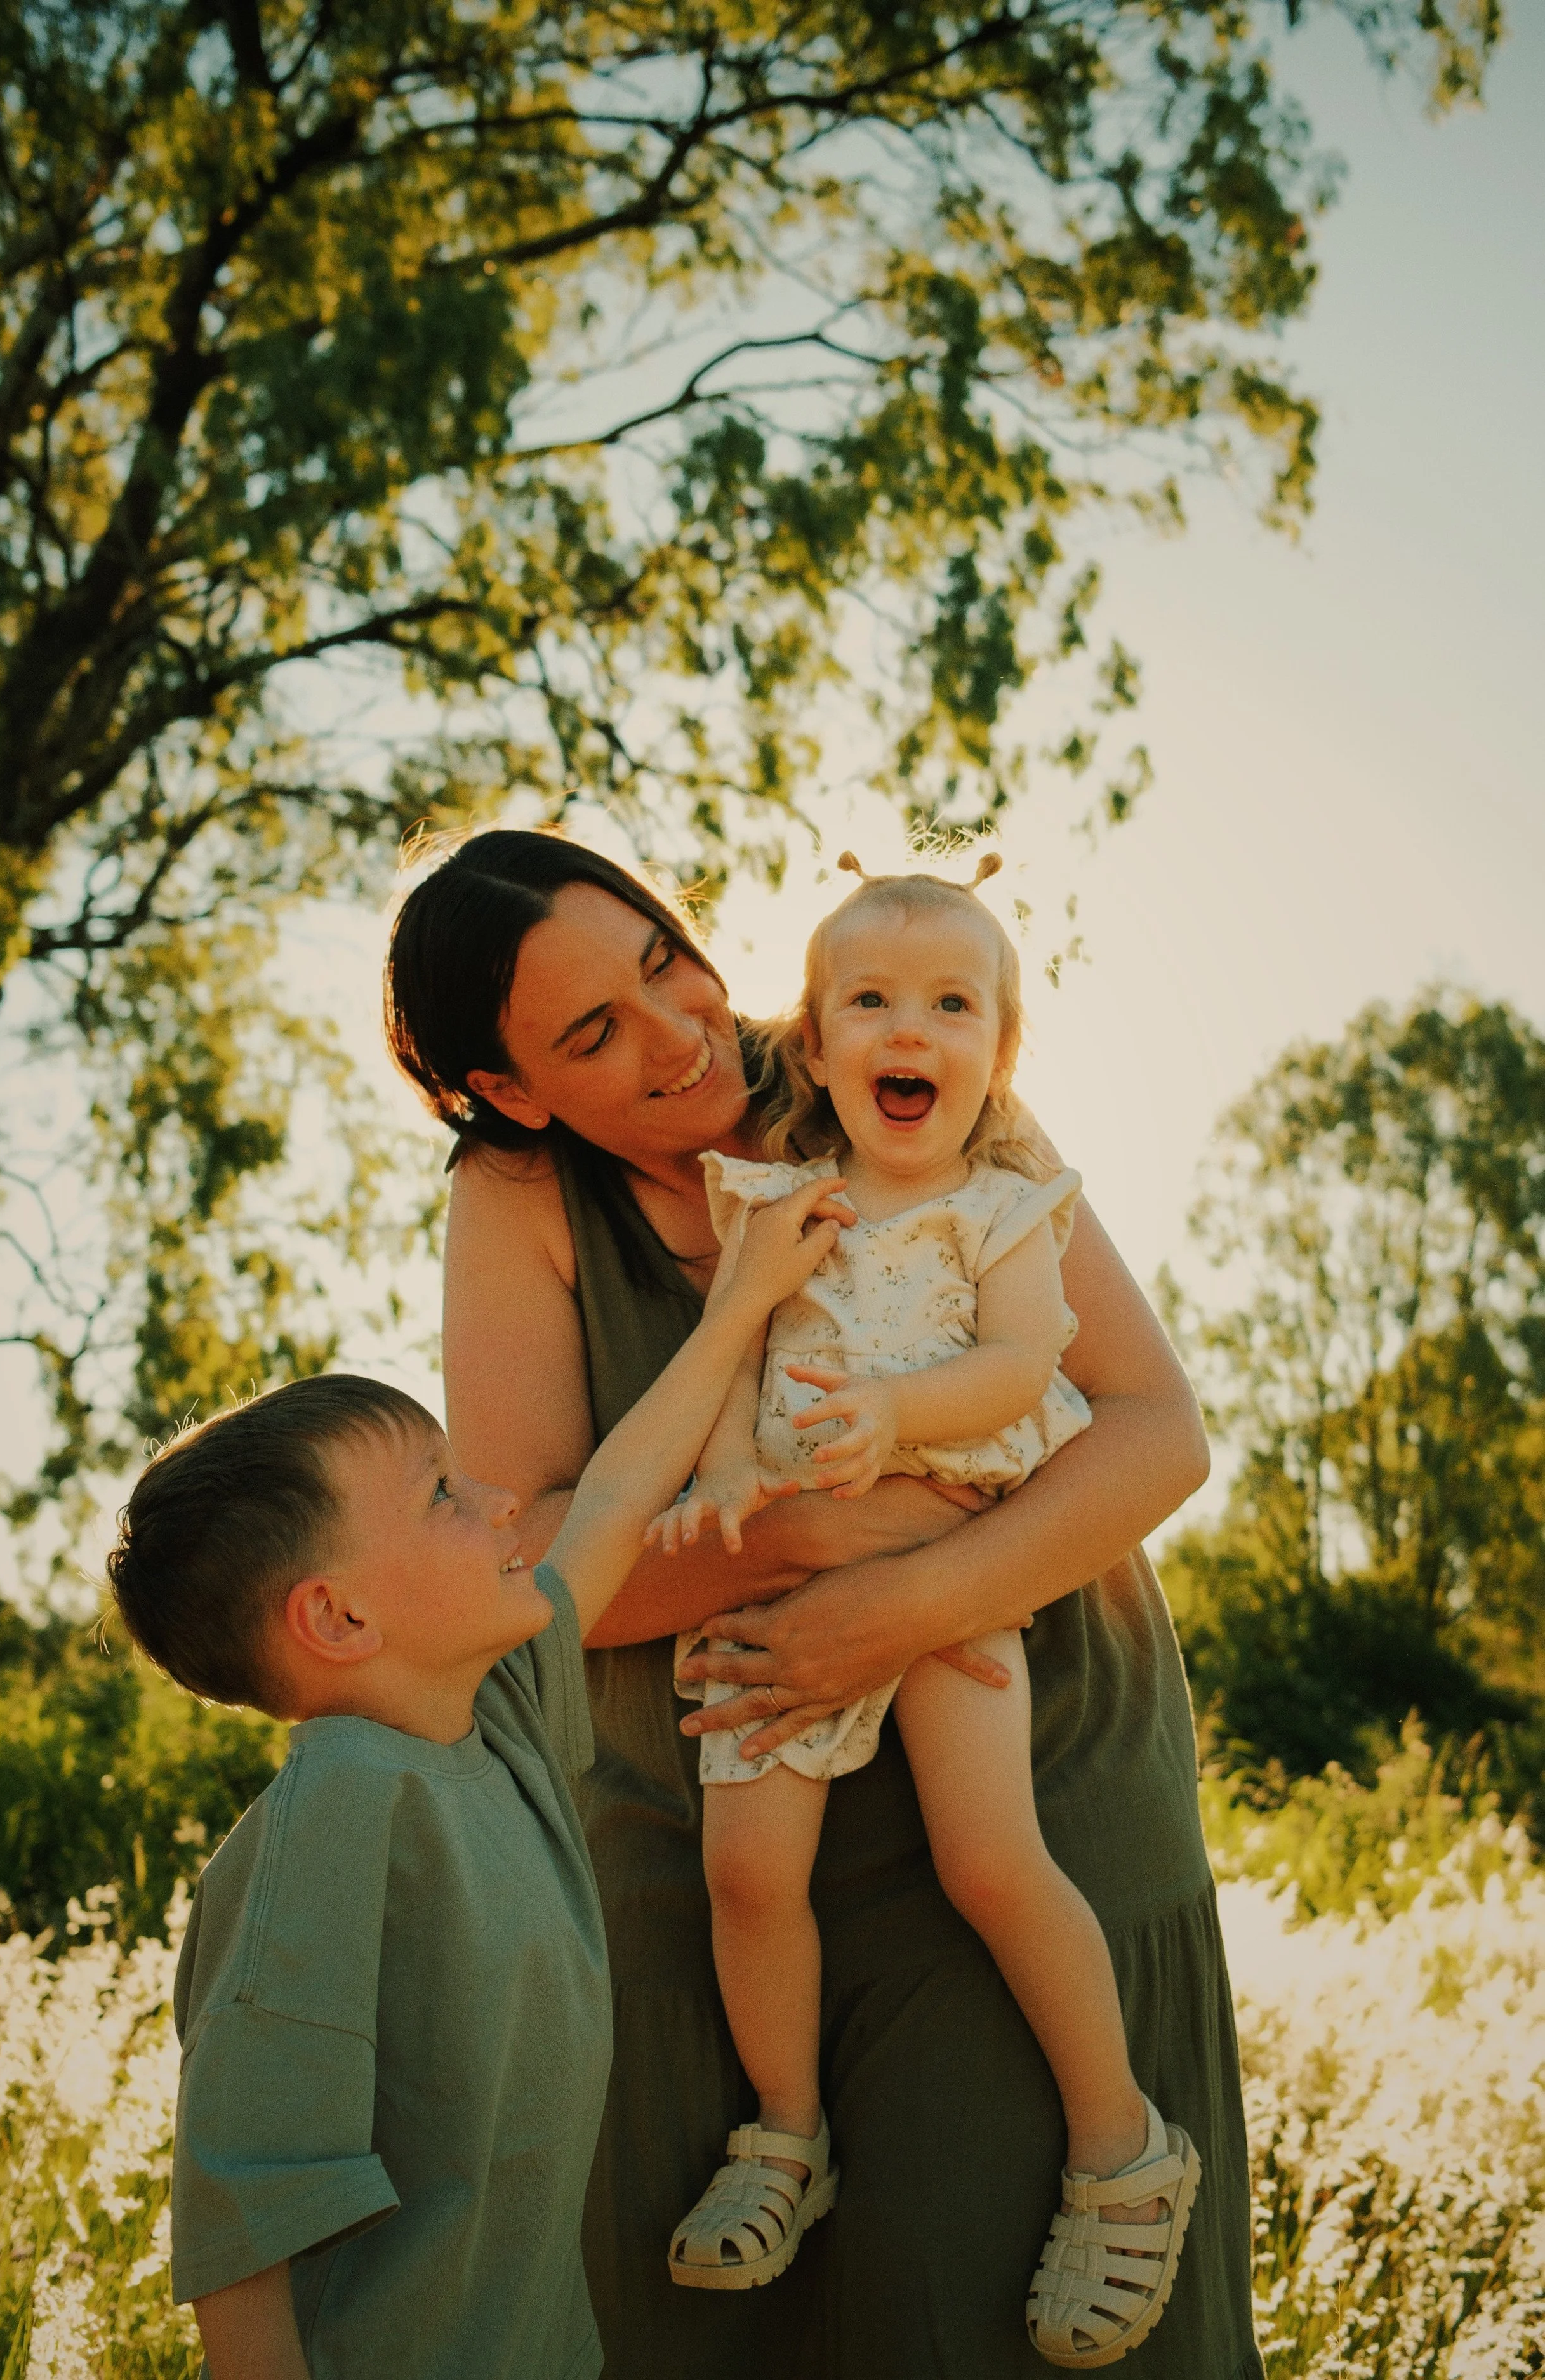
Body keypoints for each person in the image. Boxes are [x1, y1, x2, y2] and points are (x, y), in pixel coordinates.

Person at [384, 825, 1263, 2380]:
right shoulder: (518, 1194)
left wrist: (907, 1600)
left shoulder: (894, 1040)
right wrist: (819, 1544)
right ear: (513, 1090)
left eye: (668, 962)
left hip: (1017, 1770)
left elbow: (1150, 1432)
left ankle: (1118, 2153)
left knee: (981, 2316)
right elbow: (534, 1577)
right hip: (718, 1825)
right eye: (592, 1031)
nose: (679, 1036)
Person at [104, 1179, 846, 2380]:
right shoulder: (338, 1812)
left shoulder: (490, 1719)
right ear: (338, 1614)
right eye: (443, 1495)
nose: (502, 1500)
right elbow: (243, 2235)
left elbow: (608, 1499)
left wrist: (742, 1305)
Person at [647, 851, 1198, 2366]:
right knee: (748, 1872)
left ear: (998, 1055)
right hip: (790, 1587)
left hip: (956, 1578)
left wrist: (892, 1413)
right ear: (814, 1050)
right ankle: (784, 2134)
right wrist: (712, 1483)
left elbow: (1026, 1371)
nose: (913, 1030)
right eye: (871, 1002)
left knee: (989, 1860)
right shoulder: (774, 1205)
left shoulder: (1007, 1212)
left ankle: (1123, 2152)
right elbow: (732, 1364)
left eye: (952, 1004)